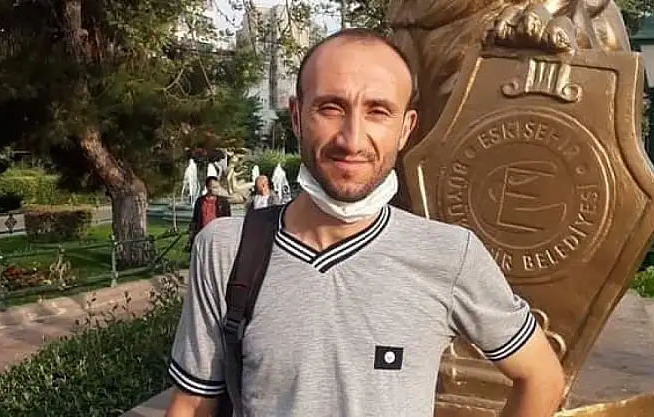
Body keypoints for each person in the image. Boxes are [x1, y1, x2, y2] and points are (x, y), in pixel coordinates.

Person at [165, 28, 565, 417]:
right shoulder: (226, 249)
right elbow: (193, 404)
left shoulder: (450, 256)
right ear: (297, 117)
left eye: (378, 111)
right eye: (331, 108)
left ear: (405, 128)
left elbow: (541, 377)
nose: (352, 139)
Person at [186, 175, 231, 252]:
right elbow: (195, 219)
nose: (217, 190)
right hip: (202, 235)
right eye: (214, 187)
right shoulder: (200, 201)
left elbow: (228, 220)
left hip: (217, 236)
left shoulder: (223, 202)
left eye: (218, 187)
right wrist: (192, 234)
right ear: (208, 187)